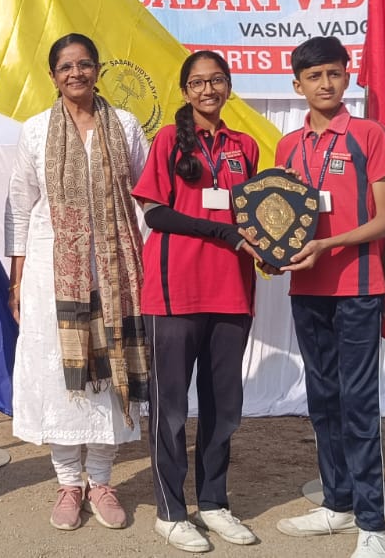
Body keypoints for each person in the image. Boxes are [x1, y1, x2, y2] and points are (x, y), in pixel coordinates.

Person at [5, 33, 150, 532]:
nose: (76, 74)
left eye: (84, 64)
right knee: (58, 376)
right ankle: (69, 482)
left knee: (110, 374)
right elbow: (19, 207)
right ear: (52, 76)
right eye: (65, 66)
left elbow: (147, 201)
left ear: (97, 70)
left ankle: (103, 480)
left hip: (115, 271)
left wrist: (146, 266)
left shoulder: (126, 126)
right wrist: (17, 274)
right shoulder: (35, 130)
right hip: (52, 274)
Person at [133, 50, 265, 553]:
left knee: (223, 408)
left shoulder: (245, 147)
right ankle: (170, 511)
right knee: (170, 409)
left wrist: (270, 250)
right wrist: (222, 233)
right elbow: (156, 215)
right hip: (174, 293)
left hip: (232, 292)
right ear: (186, 91)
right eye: (197, 83)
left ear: (228, 86)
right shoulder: (168, 139)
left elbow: (254, 216)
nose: (208, 90)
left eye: (217, 81)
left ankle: (214, 503)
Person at [271, 38, 385, 558]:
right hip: (308, 288)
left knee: (359, 404)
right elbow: (279, 217)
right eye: (314, 76)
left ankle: (374, 526)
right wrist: (273, 251)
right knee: (322, 400)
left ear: (348, 77)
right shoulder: (288, 145)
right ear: (296, 84)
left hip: (359, 288)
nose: (326, 84)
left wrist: (328, 243)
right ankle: (336, 502)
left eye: (334, 73)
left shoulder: (367, 135)